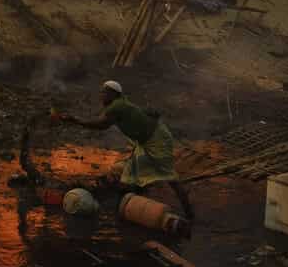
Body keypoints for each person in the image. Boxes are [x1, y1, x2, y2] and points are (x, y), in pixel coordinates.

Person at [60, 79, 193, 218]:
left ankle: (189, 212)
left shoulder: (117, 106)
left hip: (157, 140)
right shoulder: (121, 103)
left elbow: (101, 125)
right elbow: (143, 113)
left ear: (114, 94)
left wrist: (75, 120)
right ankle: (134, 205)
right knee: (131, 172)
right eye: (101, 92)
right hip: (148, 140)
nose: (101, 95)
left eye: (105, 93)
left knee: (168, 175)